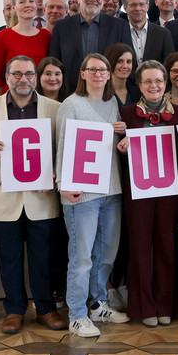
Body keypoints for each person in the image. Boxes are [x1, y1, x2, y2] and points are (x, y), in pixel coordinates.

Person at [0, 55, 66, 334]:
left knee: (42, 257)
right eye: (17, 74)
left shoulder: (55, 109)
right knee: (8, 257)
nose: (24, 79)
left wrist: (56, 171)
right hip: (3, 197)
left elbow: (63, 148)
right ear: (7, 77)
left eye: (29, 74)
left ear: (36, 77)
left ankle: (45, 308)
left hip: (41, 196)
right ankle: (13, 310)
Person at [54, 53, 129, 338]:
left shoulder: (112, 104)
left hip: (112, 190)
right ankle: (76, 314)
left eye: (104, 70)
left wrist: (123, 136)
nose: (99, 74)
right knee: (81, 257)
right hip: (81, 193)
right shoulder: (71, 105)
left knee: (106, 254)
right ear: (83, 74)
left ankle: (98, 304)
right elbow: (62, 145)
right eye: (92, 69)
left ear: (110, 75)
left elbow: (112, 145)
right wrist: (63, 183)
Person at [117, 60, 178, 327]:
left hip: (170, 191)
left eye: (158, 80)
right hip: (138, 190)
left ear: (165, 84)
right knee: (140, 247)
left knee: (167, 246)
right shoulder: (126, 114)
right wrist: (120, 149)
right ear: (140, 85)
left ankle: (165, 303)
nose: (153, 85)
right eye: (147, 81)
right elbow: (114, 153)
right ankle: (145, 306)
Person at [48, 0, 129, 94]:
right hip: (70, 93)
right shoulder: (62, 27)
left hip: (107, 94)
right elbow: (54, 62)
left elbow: (128, 62)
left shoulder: (119, 26)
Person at [0, 0, 51, 94]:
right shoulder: (3, 36)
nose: (27, 5)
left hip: (40, 97)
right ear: (14, 8)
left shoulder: (45, 36)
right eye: (22, 2)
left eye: (31, 1)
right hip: (12, 98)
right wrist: (4, 98)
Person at [122, 0, 175, 64]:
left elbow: (169, 64)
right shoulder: (119, 33)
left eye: (141, 4)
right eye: (133, 5)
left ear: (148, 7)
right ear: (125, 8)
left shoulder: (163, 34)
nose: (138, 8)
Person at [104, 43, 137, 108]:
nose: (125, 66)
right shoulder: (100, 92)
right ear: (110, 62)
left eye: (129, 61)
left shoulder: (138, 92)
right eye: (120, 61)